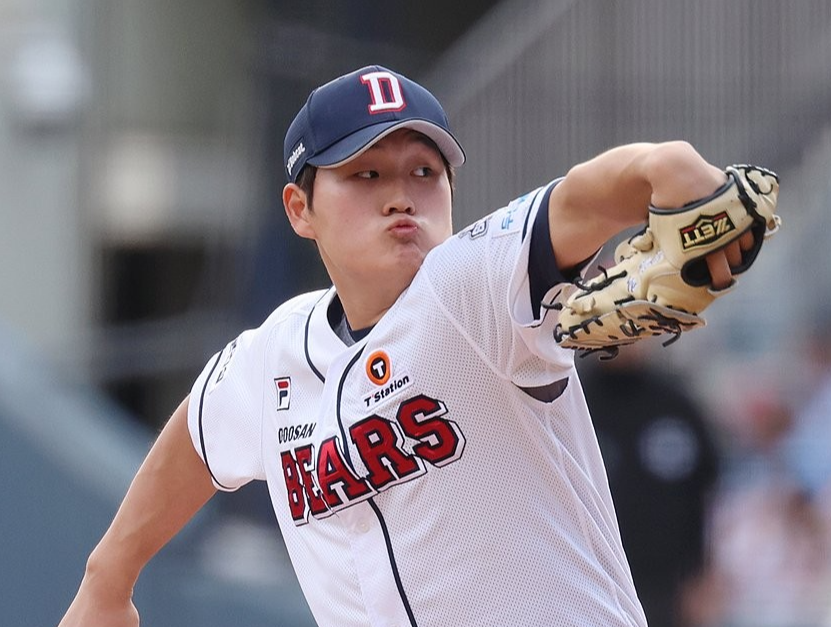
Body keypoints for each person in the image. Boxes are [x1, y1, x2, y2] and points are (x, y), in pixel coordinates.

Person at [59, 65, 760, 627]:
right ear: (299, 209)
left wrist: (663, 168)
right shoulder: (275, 353)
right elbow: (200, 431)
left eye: (424, 172)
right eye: (366, 174)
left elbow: (581, 199)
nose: (401, 196)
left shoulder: (474, 289)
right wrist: (107, 577)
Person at [579, 346, 720, 627]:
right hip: (590, 582)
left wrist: (704, 572)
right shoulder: (572, 403)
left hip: (668, 586)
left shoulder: (676, 404)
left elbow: (706, 494)